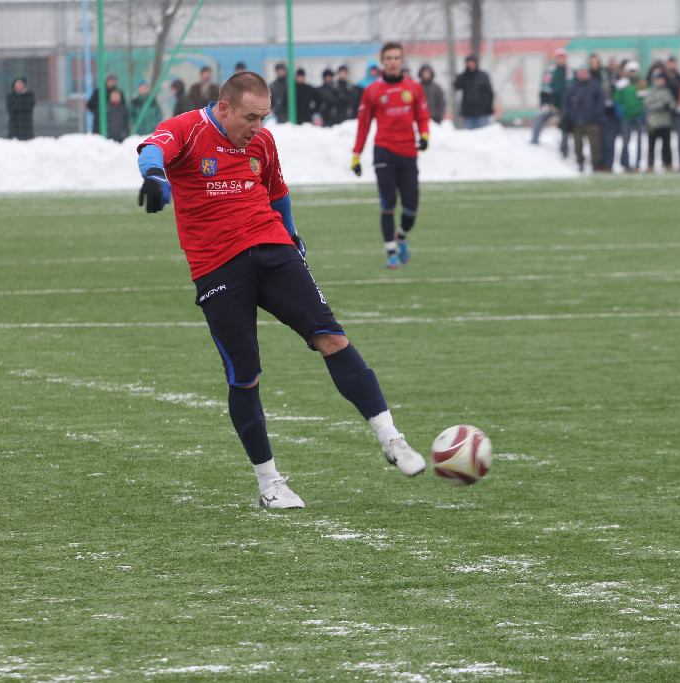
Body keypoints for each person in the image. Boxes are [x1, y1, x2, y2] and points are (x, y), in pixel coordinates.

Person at [135, 71, 425, 509]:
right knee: (245, 375)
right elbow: (152, 148)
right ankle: (270, 484)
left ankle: (391, 438)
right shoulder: (189, 128)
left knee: (332, 338)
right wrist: (156, 177)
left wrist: (291, 235)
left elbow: (277, 192)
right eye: (250, 117)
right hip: (217, 267)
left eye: (264, 117)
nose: (258, 127)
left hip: (273, 250)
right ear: (224, 107)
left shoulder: (263, 142)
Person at [351, 42, 430, 269]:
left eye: (396, 58)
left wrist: (424, 135)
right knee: (388, 204)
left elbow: (422, 115)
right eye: (388, 58)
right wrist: (356, 155)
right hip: (384, 153)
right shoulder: (372, 91)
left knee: (411, 208)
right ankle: (391, 252)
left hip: (408, 153)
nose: (393, 62)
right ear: (382, 62)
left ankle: (401, 236)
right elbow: (364, 124)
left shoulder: (414, 88)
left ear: (402, 61)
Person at [561, 66, 603, 173]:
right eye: (581, 73)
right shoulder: (573, 87)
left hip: (592, 121)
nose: (582, 75)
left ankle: (595, 164)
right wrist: (571, 116)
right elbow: (566, 103)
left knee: (595, 145)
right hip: (577, 121)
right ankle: (580, 163)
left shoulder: (595, 86)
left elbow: (600, 101)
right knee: (578, 145)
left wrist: (596, 114)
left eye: (584, 73)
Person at [530, 49, 568, 147]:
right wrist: (546, 104)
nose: (561, 59)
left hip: (566, 106)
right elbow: (544, 89)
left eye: (562, 57)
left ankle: (564, 147)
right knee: (540, 116)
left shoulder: (570, 72)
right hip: (551, 105)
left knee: (566, 121)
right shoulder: (550, 72)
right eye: (559, 57)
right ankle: (534, 142)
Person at [613, 61, 645, 171]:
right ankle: (625, 163)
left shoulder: (641, 84)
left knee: (639, 140)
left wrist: (643, 112)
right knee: (625, 140)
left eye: (634, 71)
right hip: (626, 116)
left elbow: (645, 99)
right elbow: (617, 100)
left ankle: (638, 163)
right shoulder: (621, 84)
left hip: (638, 115)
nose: (633, 73)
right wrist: (620, 112)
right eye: (631, 71)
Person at [644, 72, 675, 172]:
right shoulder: (650, 92)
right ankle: (650, 165)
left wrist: (667, 106)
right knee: (651, 146)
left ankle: (667, 163)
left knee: (666, 145)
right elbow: (647, 104)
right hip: (653, 123)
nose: (660, 81)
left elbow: (672, 104)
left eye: (662, 79)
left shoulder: (667, 92)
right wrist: (661, 105)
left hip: (665, 122)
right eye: (658, 79)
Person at [454, 55, 494, 129]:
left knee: (483, 133)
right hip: (468, 113)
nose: (470, 64)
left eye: (472, 62)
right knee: (468, 135)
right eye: (468, 63)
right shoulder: (464, 76)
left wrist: (489, 108)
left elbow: (489, 93)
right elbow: (456, 86)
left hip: (482, 112)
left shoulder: (483, 76)